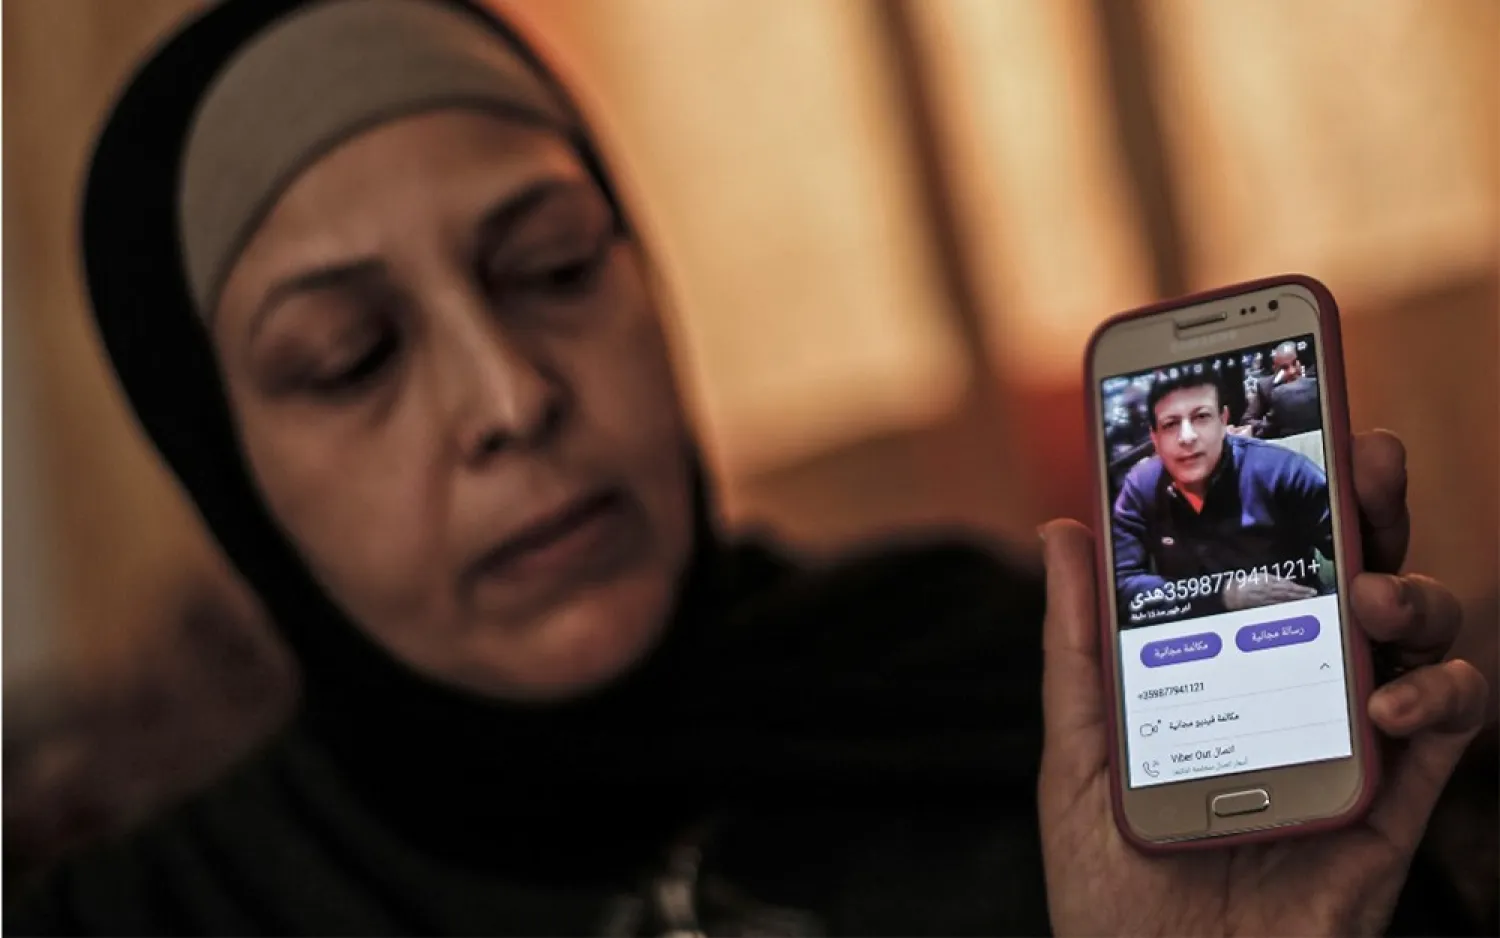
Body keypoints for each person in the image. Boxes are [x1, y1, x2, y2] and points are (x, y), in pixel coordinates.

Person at [4, 0, 1489, 934]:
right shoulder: (142, 911)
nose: (511, 396)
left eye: (553, 265)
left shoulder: (1011, 693)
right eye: (350, 358)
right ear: (226, 469)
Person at [1112, 370, 1334, 625]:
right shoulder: (1141, 486)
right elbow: (1120, 587)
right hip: (1190, 642)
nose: (1187, 437)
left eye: (1201, 417)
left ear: (1223, 421)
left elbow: (1350, 553)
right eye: (1171, 424)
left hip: (1292, 626)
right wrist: (1222, 596)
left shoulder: (1285, 471)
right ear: (1155, 437)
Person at [1237, 340, 1322, 439]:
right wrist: (1271, 424)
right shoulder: (1266, 387)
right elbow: (1246, 420)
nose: (1292, 371)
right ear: (1275, 369)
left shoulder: (1314, 380)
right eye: (1284, 368)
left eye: (1294, 363)